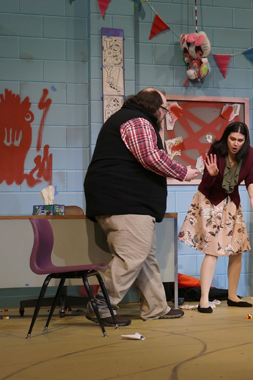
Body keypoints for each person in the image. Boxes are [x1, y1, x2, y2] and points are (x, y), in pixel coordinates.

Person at [84, 88, 199, 326]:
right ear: (156, 108)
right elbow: (150, 157)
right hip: (124, 201)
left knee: (145, 257)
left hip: (125, 200)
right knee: (131, 256)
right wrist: (183, 172)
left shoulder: (129, 117)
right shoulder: (137, 120)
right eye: (165, 109)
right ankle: (101, 306)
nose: (164, 115)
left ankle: (156, 307)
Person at [178, 122, 253, 313]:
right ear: (227, 137)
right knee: (212, 249)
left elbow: (251, 178)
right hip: (210, 199)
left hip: (231, 200)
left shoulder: (249, 153)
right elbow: (206, 182)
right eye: (232, 139)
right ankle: (204, 300)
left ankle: (233, 296)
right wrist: (211, 174)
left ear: (245, 140)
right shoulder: (216, 150)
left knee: (238, 248)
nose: (236, 143)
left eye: (240, 140)